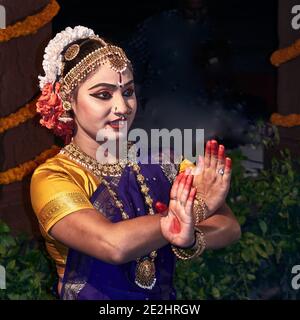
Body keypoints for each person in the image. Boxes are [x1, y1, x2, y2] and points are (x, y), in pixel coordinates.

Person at [30, 26, 241, 300]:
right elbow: (113, 244)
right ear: (68, 101)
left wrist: (189, 238)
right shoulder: (54, 177)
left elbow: (229, 227)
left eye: (127, 92)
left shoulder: (163, 161)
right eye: (104, 94)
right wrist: (184, 217)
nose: (122, 107)